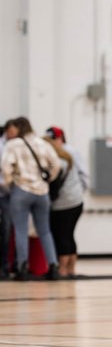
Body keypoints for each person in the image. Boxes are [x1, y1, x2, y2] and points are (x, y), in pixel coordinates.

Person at [0, 116, 61, 281]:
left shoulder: (13, 145)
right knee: (45, 230)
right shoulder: (43, 143)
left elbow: (5, 169)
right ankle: (53, 266)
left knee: (21, 230)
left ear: (18, 128)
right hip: (42, 192)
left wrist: (9, 184)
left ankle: (22, 267)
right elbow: (56, 164)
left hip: (21, 190)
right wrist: (47, 179)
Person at [44, 132, 84, 278]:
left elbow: (52, 183)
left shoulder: (56, 162)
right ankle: (71, 268)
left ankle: (62, 269)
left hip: (63, 204)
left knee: (61, 236)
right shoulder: (67, 157)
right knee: (70, 234)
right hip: (77, 201)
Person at [0, 119, 18, 279]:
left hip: (14, 194)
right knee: (5, 231)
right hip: (6, 193)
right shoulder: (3, 146)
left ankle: (11, 266)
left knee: (11, 230)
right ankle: (4, 266)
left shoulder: (17, 145)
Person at [45, 126, 89, 191]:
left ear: (61, 138)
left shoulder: (71, 152)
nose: (51, 143)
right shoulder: (50, 152)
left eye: (54, 139)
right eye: (49, 140)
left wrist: (80, 190)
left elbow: (82, 171)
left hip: (71, 193)